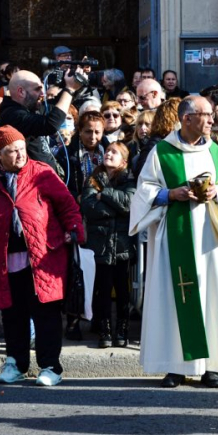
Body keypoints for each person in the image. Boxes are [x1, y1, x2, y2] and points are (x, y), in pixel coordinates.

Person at [0, 125, 84, 386]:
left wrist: (74, 229)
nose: (20, 155)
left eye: (22, 149)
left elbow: (68, 205)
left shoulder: (42, 173)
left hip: (43, 256)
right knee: (12, 314)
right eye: (12, 151)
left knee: (45, 313)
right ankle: (16, 363)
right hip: (1, 258)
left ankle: (50, 366)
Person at [129, 96, 218, 388]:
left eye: (210, 115)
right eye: (204, 115)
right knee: (173, 297)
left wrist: (216, 192)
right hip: (174, 236)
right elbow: (143, 191)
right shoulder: (162, 152)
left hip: (208, 238)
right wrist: (172, 194)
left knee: (211, 297)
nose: (211, 120)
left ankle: (212, 367)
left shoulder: (216, 152)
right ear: (186, 119)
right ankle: (175, 367)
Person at [81, 142, 136, 348]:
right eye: (108, 150)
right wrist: (116, 208)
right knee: (102, 291)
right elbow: (88, 207)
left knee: (123, 292)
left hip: (122, 246)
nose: (109, 154)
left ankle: (122, 331)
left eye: (115, 152)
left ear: (123, 160)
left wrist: (103, 194)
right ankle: (104, 331)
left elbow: (129, 204)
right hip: (100, 245)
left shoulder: (128, 178)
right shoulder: (94, 178)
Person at [0, 70, 79, 175]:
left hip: (47, 180)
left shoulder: (30, 107)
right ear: (21, 92)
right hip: (31, 184)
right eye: (37, 89)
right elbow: (51, 124)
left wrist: (74, 81)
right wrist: (70, 89)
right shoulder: (13, 115)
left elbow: (56, 105)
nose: (42, 94)